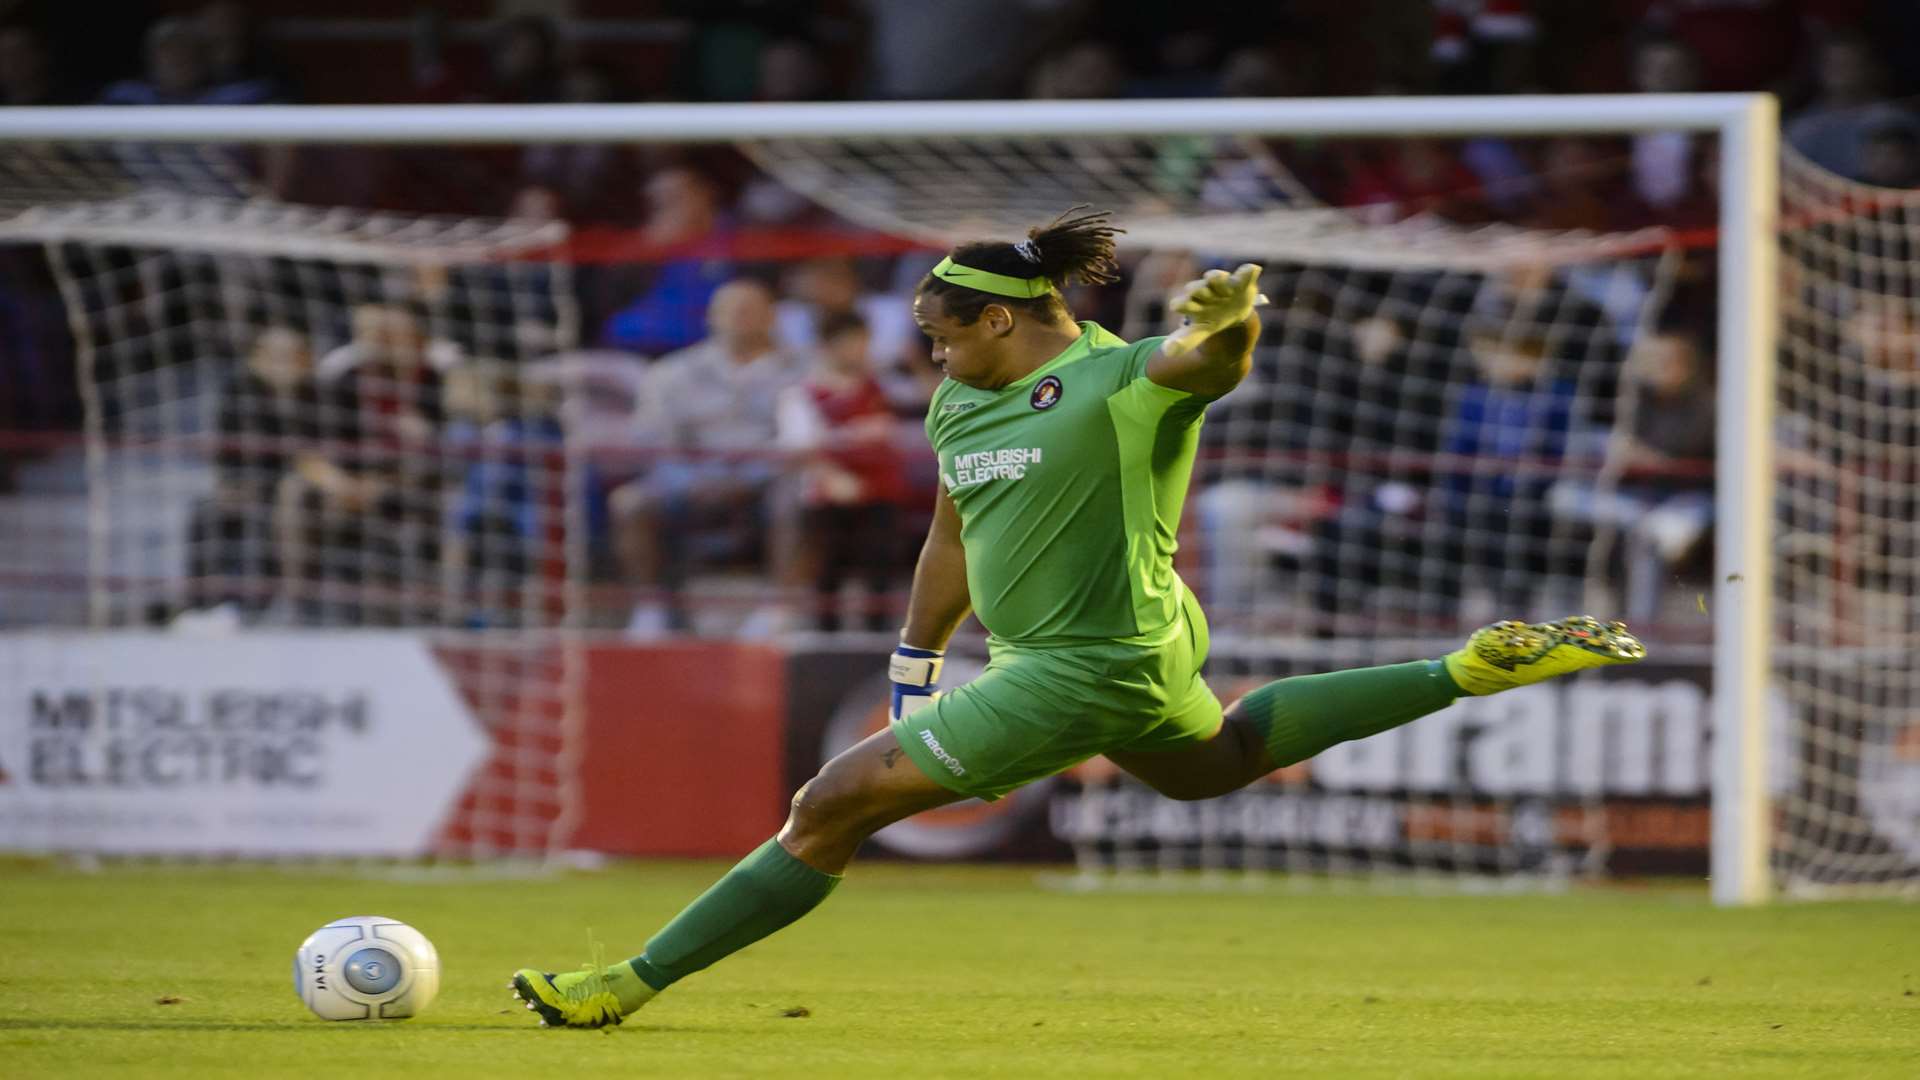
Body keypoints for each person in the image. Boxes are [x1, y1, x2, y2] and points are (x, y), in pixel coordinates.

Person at [508, 208, 1647, 1028]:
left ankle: (625, 986)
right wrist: (917, 656)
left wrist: (1232, 324)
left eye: (944, 334)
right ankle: (1464, 671)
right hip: (1116, 646)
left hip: (1086, 661)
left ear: (1003, 322)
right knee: (1215, 763)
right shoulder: (964, 400)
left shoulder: (1125, 379)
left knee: (829, 803)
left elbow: (1206, 368)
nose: (932, 357)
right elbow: (955, 533)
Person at [611, 279, 806, 637]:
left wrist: (747, 477)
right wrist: (696, 479)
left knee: (799, 495)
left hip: (767, 480)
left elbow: (802, 439)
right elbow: (654, 441)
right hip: (690, 481)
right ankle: (651, 610)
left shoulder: (805, 369)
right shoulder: (671, 373)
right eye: (731, 310)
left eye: (750, 310)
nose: (740, 318)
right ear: (711, 317)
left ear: (771, 317)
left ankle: (779, 609)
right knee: (630, 503)